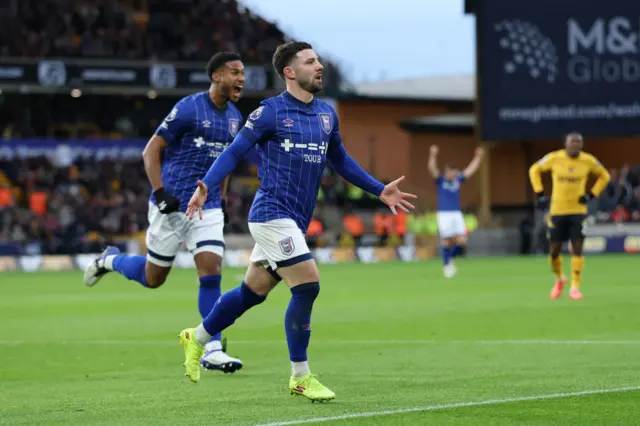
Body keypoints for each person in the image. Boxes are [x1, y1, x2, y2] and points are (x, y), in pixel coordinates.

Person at [177, 41, 417, 401]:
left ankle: (195, 337)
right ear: (290, 72)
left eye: (318, 60)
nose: (318, 66)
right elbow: (234, 152)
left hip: (295, 221)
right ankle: (300, 376)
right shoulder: (269, 113)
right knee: (307, 284)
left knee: (251, 293)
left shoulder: (325, 115)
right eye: (309, 62)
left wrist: (379, 189)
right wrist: (205, 187)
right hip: (271, 214)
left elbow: (341, 160)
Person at [83, 52, 246, 372]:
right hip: (170, 206)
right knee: (153, 277)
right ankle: (109, 259)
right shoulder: (188, 108)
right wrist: (159, 194)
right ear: (216, 76)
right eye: (235, 72)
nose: (241, 78)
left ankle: (211, 347)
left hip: (207, 206)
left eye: (243, 73)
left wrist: (223, 200)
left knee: (211, 272)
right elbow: (151, 150)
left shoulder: (235, 118)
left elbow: (226, 162)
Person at [528, 132, 610, 300]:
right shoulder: (554, 158)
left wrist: (592, 195)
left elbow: (605, 176)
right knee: (554, 251)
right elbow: (534, 169)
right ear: (565, 143)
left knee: (577, 246)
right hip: (557, 211)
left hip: (578, 211)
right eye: (572, 142)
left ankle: (575, 287)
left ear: (582, 145)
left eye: (578, 142)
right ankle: (560, 279)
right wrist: (539, 192)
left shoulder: (588, 160)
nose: (575, 145)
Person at [428, 145, 484, 278]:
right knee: (446, 240)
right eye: (450, 171)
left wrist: (478, 157)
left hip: (456, 213)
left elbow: (470, 170)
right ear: (446, 172)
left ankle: (450, 259)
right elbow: (432, 168)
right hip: (444, 214)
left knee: (462, 240)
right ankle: (447, 265)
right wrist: (432, 154)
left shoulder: (458, 180)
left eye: (454, 171)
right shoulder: (440, 181)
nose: (452, 174)